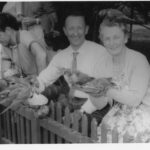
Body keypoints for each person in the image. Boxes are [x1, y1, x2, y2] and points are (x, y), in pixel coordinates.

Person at [32, 10, 112, 119]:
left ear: (86, 29)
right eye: (71, 28)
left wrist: (82, 111)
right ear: (65, 31)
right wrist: (36, 84)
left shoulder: (101, 53)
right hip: (71, 100)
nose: (75, 33)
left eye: (79, 28)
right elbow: (44, 79)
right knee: (50, 117)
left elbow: (104, 92)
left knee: (77, 127)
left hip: (95, 105)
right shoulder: (62, 56)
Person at [95, 9, 150, 143]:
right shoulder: (103, 64)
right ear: (102, 40)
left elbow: (135, 100)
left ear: (125, 37)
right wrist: (92, 90)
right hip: (120, 111)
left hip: (144, 111)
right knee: (103, 136)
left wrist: (105, 89)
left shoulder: (138, 60)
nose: (112, 42)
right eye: (107, 38)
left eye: (116, 37)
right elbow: (100, 104)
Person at [0, 13, 47, 77]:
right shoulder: (5, 44)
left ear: (8, 30)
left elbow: (41, 54)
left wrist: (40, 81)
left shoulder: (24, 35)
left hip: (46, 79)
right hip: (28, 80)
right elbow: (5, 70)